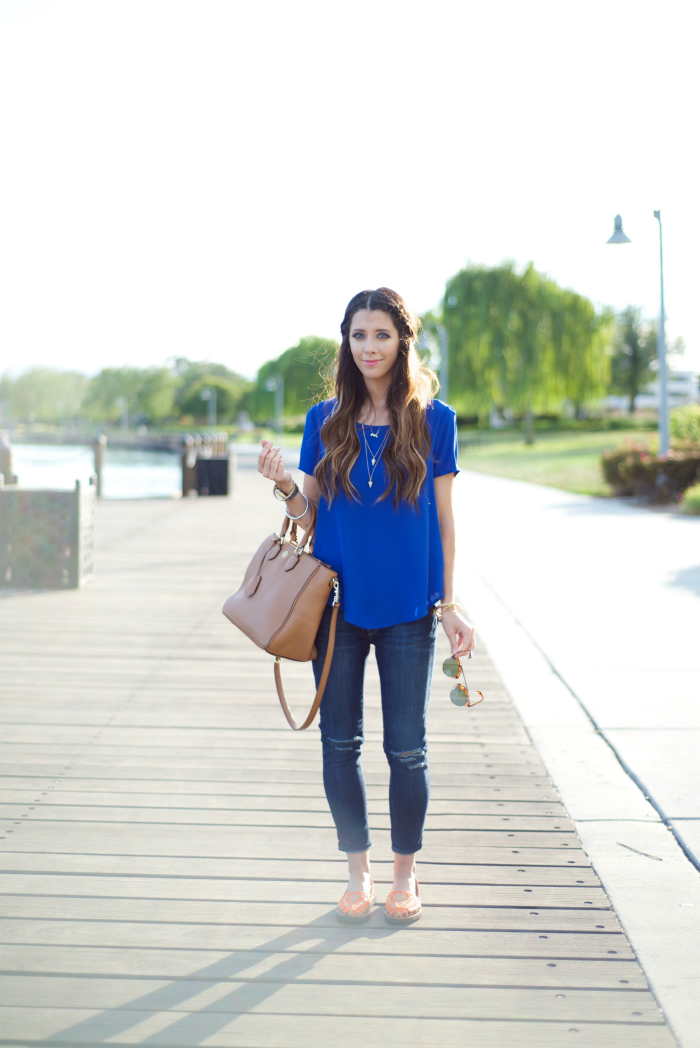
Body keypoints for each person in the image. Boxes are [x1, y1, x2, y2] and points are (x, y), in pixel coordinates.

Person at [257, 287, 475, 924]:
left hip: (410, 608)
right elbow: (310, 513)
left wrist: (451, 603)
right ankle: (359, 875)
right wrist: (282, 485)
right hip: (337, 609)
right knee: (338, 744)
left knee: (407, 750)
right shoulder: (324, 420)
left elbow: (445, 519)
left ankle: (406, 878)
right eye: (358, 336)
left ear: (402, 340)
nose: (369, 347)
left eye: (381, 334)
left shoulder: (436, 419)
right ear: (346, 344)